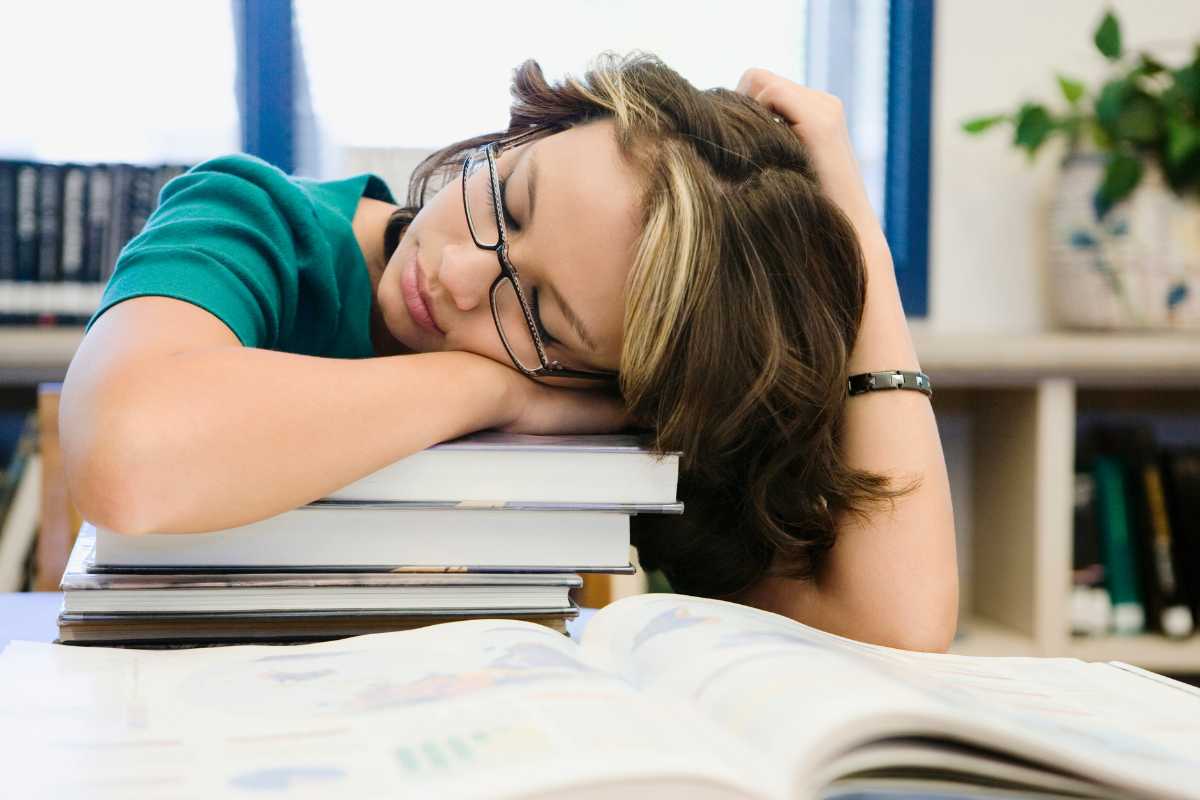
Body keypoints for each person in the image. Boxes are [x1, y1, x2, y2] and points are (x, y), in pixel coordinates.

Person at [60, 53, 957, 651]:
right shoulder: (259, 220)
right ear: (532, 128)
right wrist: (488, 390)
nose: (456, 271)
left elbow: (893, 630)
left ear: (619, 380)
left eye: (538, 312)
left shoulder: (611, 395)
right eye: (511, 201)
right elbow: (130, 460)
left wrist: (859, 242)